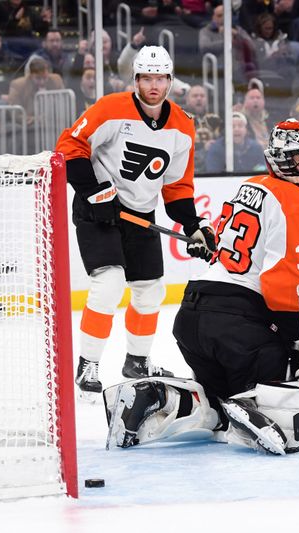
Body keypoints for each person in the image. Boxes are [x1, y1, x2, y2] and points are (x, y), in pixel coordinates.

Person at [104, 120, 299, 455]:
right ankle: (257, 407)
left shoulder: (251, 186)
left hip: (192, 318)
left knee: (215, 401)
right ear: (284, 161)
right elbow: (287, 289)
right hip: (240, 328)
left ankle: (168, 399)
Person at [54, 46, 216, 396]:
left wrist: (194, 225)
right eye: (146, 77)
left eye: (160, 78)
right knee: (109, 284)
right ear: (136, 79)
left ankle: (137, 361)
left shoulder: (182, 127)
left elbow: (176, 187)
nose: (153, 85)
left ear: (170, 81)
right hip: (98, 211)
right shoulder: (112, 108)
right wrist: (94, 191)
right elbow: (70, 146)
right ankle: (89, 365)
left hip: (140, 216)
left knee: (150, 291)